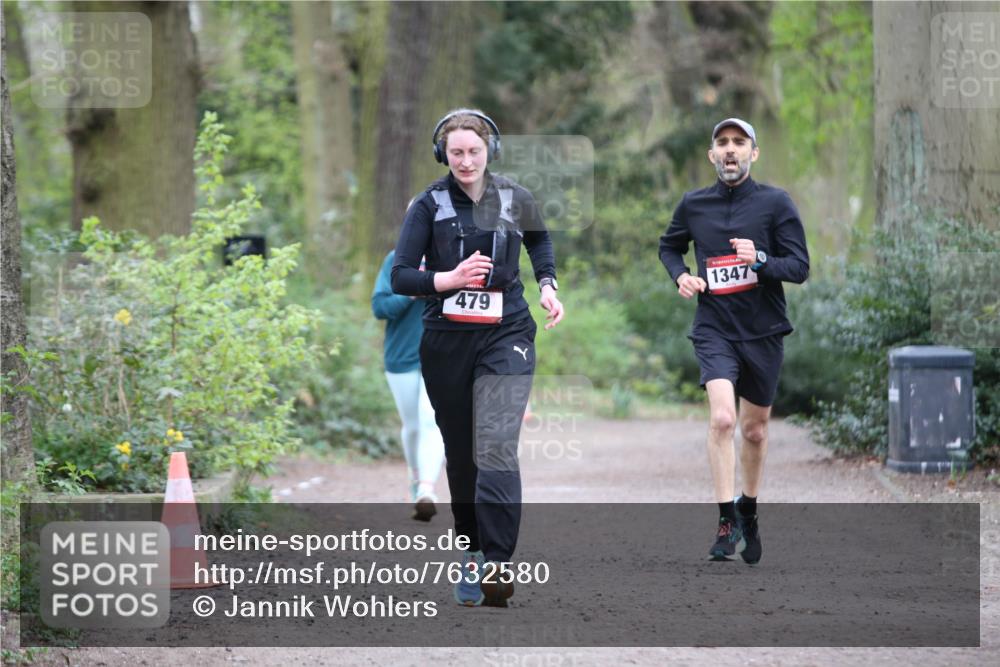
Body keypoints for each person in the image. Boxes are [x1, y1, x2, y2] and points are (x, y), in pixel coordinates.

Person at [391, 109, 564, 606]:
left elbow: (540, 240)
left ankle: (498, 562)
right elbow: (402, 276)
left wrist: (548, 285)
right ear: (442, 154)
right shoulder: (428, 205)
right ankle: (470, 552)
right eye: (456, 152)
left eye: (474, 151)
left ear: (491, 151)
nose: (466, 161)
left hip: (507, 330)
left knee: (495, 442)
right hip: (446, 339)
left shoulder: (515, 197)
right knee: (463, 452)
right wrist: (447, 280)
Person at [658, 118, 809, 564]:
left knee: (755, 430)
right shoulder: (693, 205)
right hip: (714, 327)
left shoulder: (775, 203)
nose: (730, 150)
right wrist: (682, 275)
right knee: (723, 420)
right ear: (711, 156)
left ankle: (750, 507)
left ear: (753, 153)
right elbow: (669, 247)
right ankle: (726, 522)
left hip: (763, 330)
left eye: (739, 143)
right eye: (722, 143)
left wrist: (760, 259)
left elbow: (799, 268)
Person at [372, 249, 445, 522]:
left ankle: (427, 490)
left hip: (440, 354)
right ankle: (416, 480)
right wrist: (413, 290)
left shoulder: (454, 256)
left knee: (431, 420)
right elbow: (380, 308)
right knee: (413, 425)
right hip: (401, 356)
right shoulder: (396, 260)